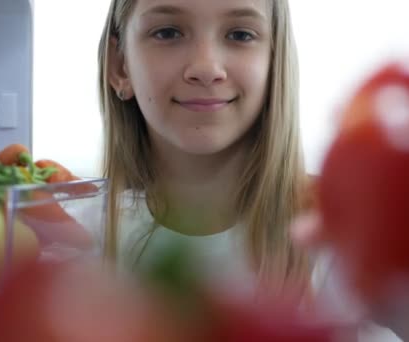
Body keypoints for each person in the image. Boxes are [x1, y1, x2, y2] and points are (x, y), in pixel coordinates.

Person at [97, 0, 314, 303]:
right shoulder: (60, 242)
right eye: (168, 32)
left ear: (275, 61)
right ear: (120, 66)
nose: (206, 68)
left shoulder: (345, 240)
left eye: (240, 35)